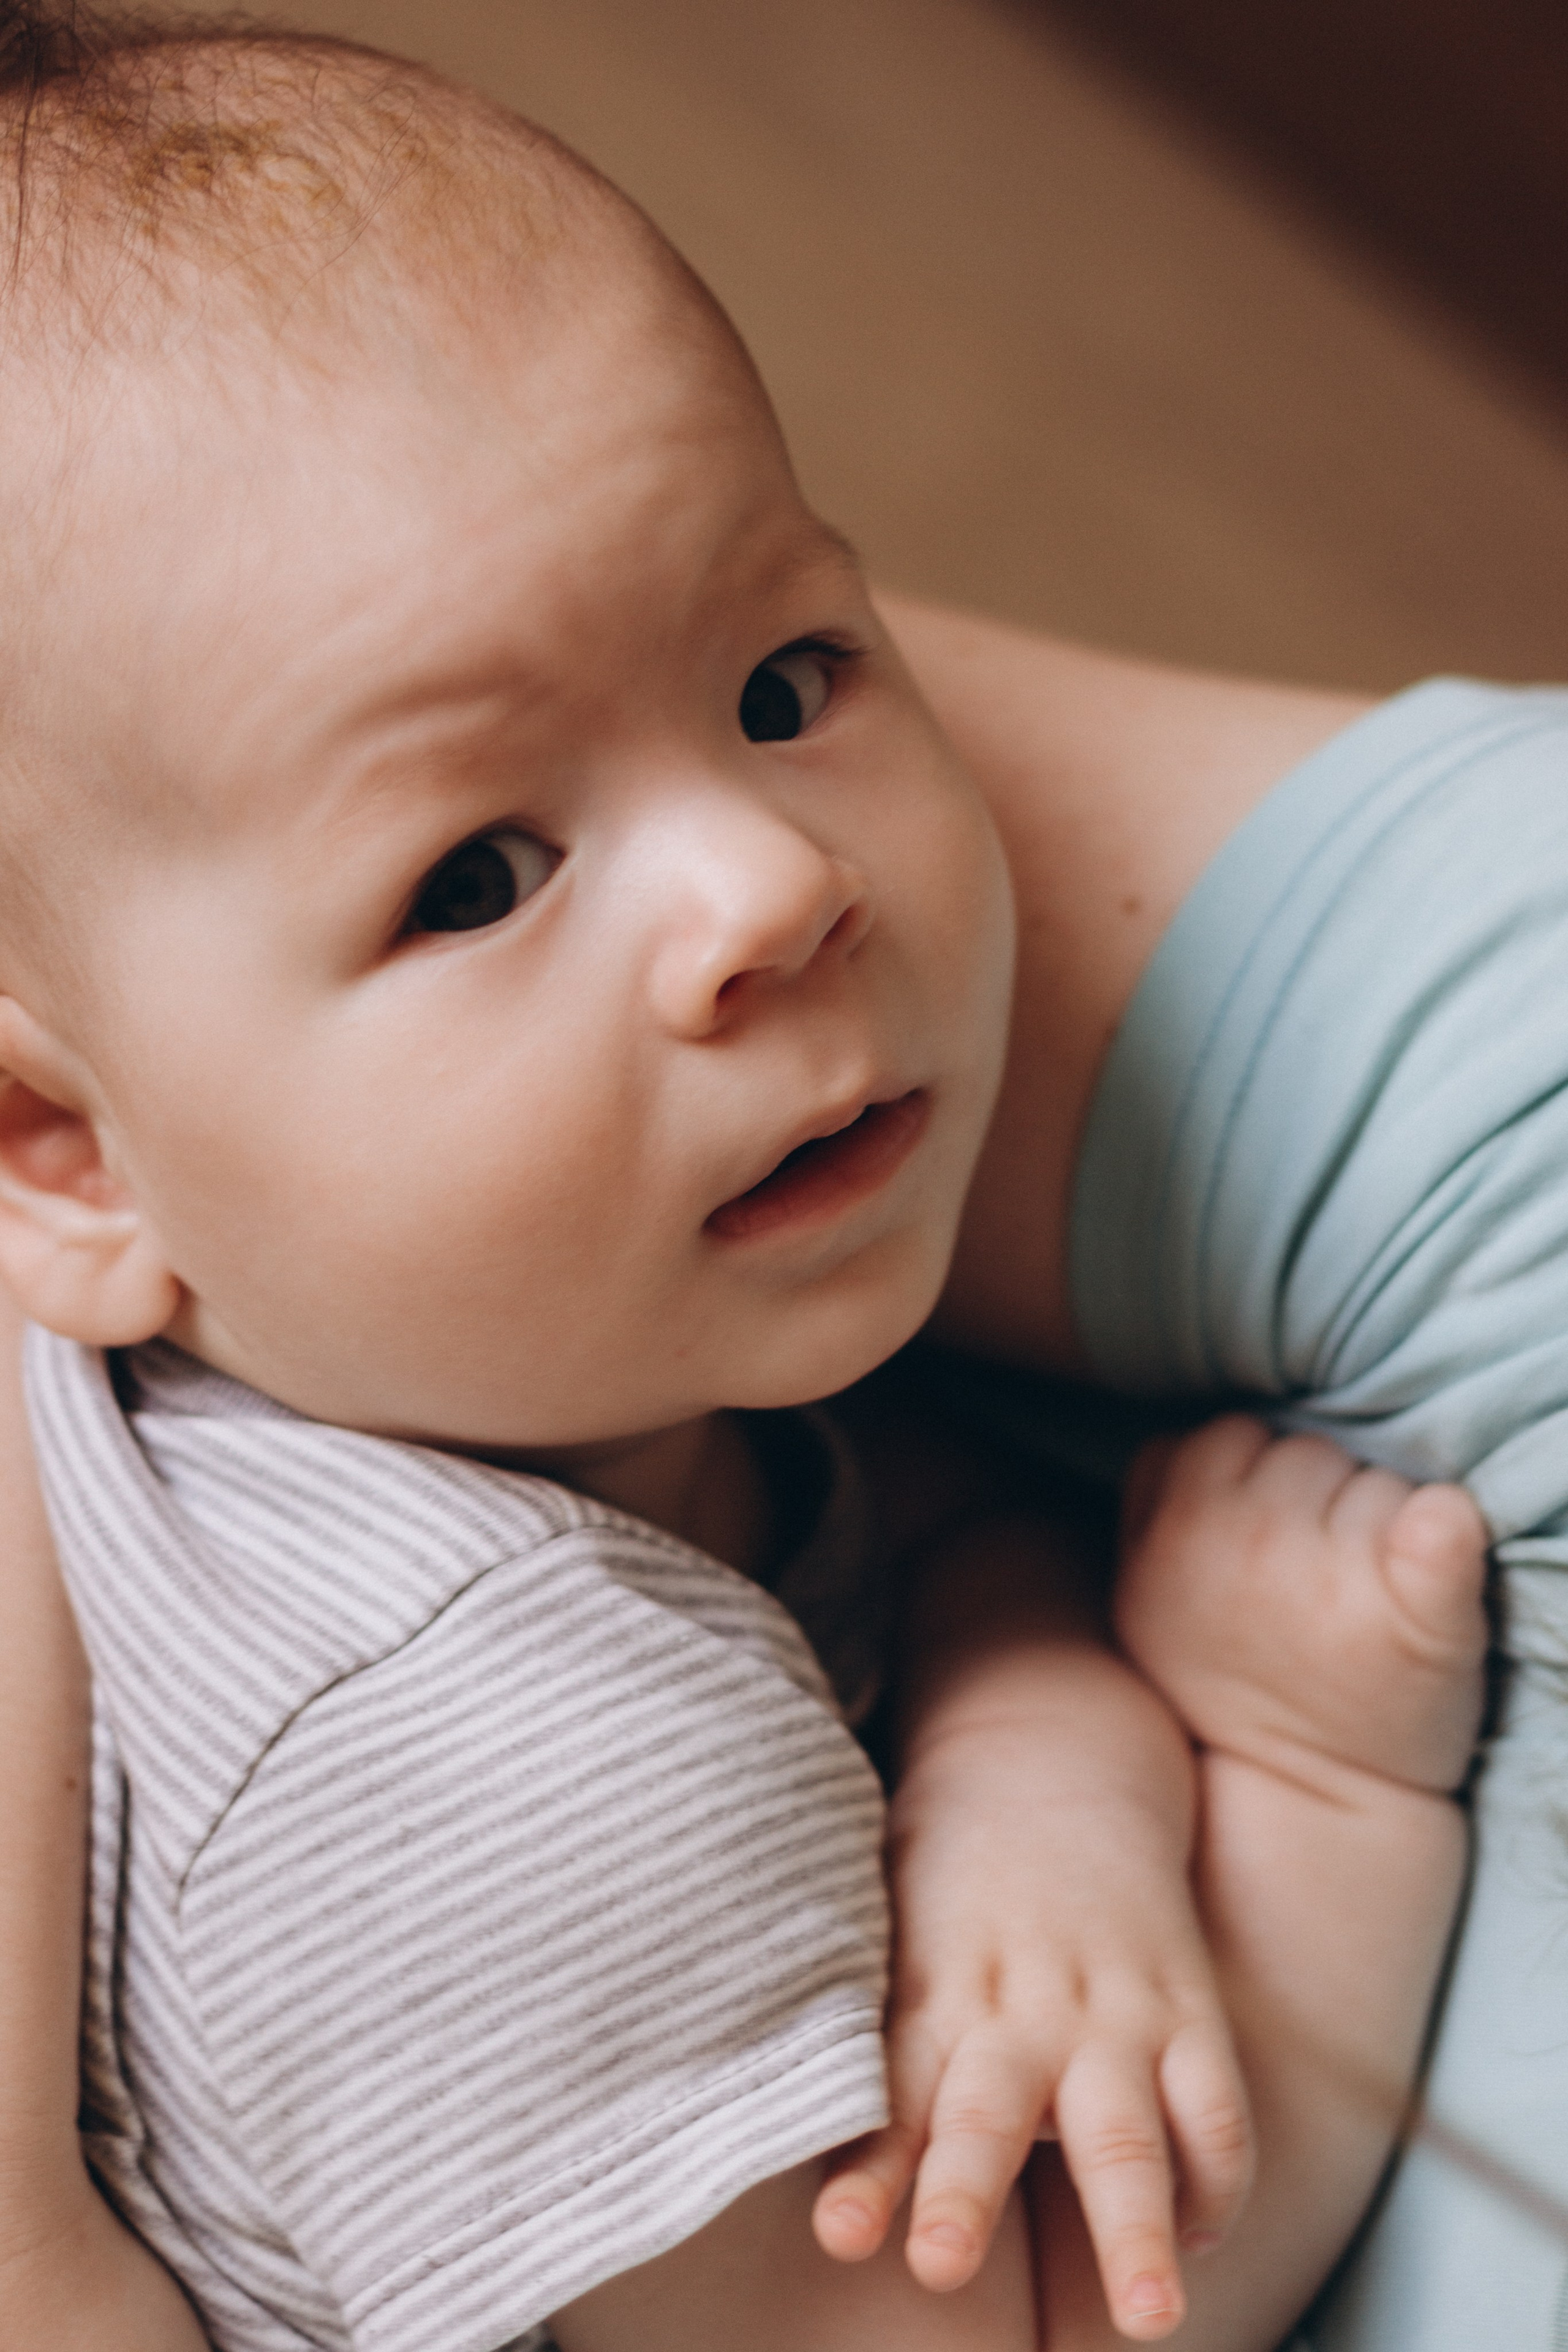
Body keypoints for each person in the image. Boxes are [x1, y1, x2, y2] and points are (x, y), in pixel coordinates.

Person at [0, 10, 1495, 2351]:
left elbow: (876, 1509)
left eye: (787, 680)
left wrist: (1029, 1756)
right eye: (479, 874)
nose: (773, 885)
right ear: (60, 1153)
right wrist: (1312, 1791)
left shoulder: (432, 1325)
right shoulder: (517, 1767)